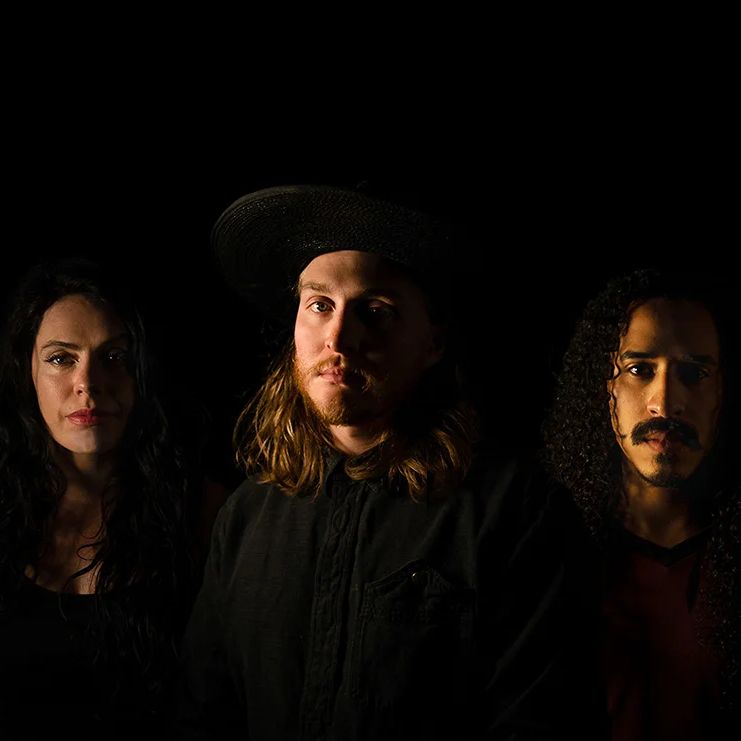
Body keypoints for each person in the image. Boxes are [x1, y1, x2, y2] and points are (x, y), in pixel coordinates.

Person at [177, 183, 604, 740]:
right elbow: (203, 711)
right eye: (319, 305)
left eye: (375, 311)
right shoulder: (245, 518)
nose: (338, 338)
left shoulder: (514, 511)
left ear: (433, 343)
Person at [0, 257, 211, 738]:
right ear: (26, 370)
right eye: (61, 359)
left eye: (114, 357)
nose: (88, 384)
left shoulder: (205, 513)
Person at [542, 267, 741, 740]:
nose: (665, 404)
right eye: (639, 369)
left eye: (694, 373)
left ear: (723, 391)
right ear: (605, 383)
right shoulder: (543, 545)